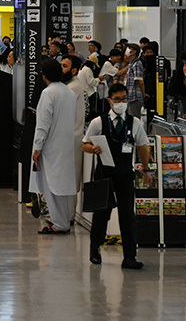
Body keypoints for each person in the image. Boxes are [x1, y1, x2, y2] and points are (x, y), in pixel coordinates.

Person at [83, 83, 151, 270]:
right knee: (101, 213)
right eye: (117, 99)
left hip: (124, 174)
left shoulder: (134, 123)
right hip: (104, 174)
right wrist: (92, 149)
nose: (121, 103)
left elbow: (142, 147)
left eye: (124, 99)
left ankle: (129, 256)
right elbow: (84, 144)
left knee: (127, 215)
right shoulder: (99, 122)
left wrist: (146, 170)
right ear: (109, 100)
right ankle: (95, 249)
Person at [30, 58, 77, 234]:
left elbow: (43, 123)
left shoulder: (48, 93)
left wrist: (37, 147)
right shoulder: (69, 92)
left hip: (50, 145)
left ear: (44, 75)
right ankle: (62, 219)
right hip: (65, 143)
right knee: (63, 186)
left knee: (52, 186)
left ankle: (59, 223)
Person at [61, 55, 88, 220]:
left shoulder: (72, 88)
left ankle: (68, 216)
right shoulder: (69, 85)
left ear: (74, 70)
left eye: (64, 66)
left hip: (71, 139)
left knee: (69, 179)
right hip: (69, 138)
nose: (61, 69)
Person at [124, 44, 147, 118]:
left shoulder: (137, 64)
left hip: (135, 96)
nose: (127, 50)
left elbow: (140, 81)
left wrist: (143, 93)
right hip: (130, 96)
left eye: (129, 48)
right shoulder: (131, 63)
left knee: (133, 119)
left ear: (134, 52)